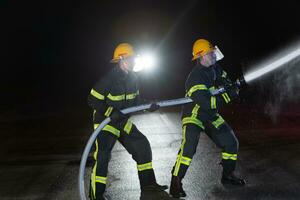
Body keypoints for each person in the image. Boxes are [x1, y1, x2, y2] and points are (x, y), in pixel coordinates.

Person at [87, 43, 176, 200]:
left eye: (135, 58)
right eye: (131, 58)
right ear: (122, 59)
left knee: (142, 145)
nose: (134, 61)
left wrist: (148, 105)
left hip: (121, 122)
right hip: (106, 123)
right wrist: (110, 112)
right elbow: (92, 100)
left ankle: (148, 188)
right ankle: (96, 196)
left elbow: (135, 101)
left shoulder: (133, 78)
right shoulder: (109, 79)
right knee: (103, 157)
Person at [169, 39, 246, 198]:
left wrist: (233, 86)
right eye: (210, 53)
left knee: (231, 142)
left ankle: (228, 175)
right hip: (194, 115)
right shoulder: (195, 78)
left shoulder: (214, 67)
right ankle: (175, 183)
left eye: (213, 52)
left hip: (209, 115)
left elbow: (224, 80)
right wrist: (228, 96)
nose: (213, 55)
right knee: (189, 147)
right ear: (200, 56)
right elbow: (208, 102)